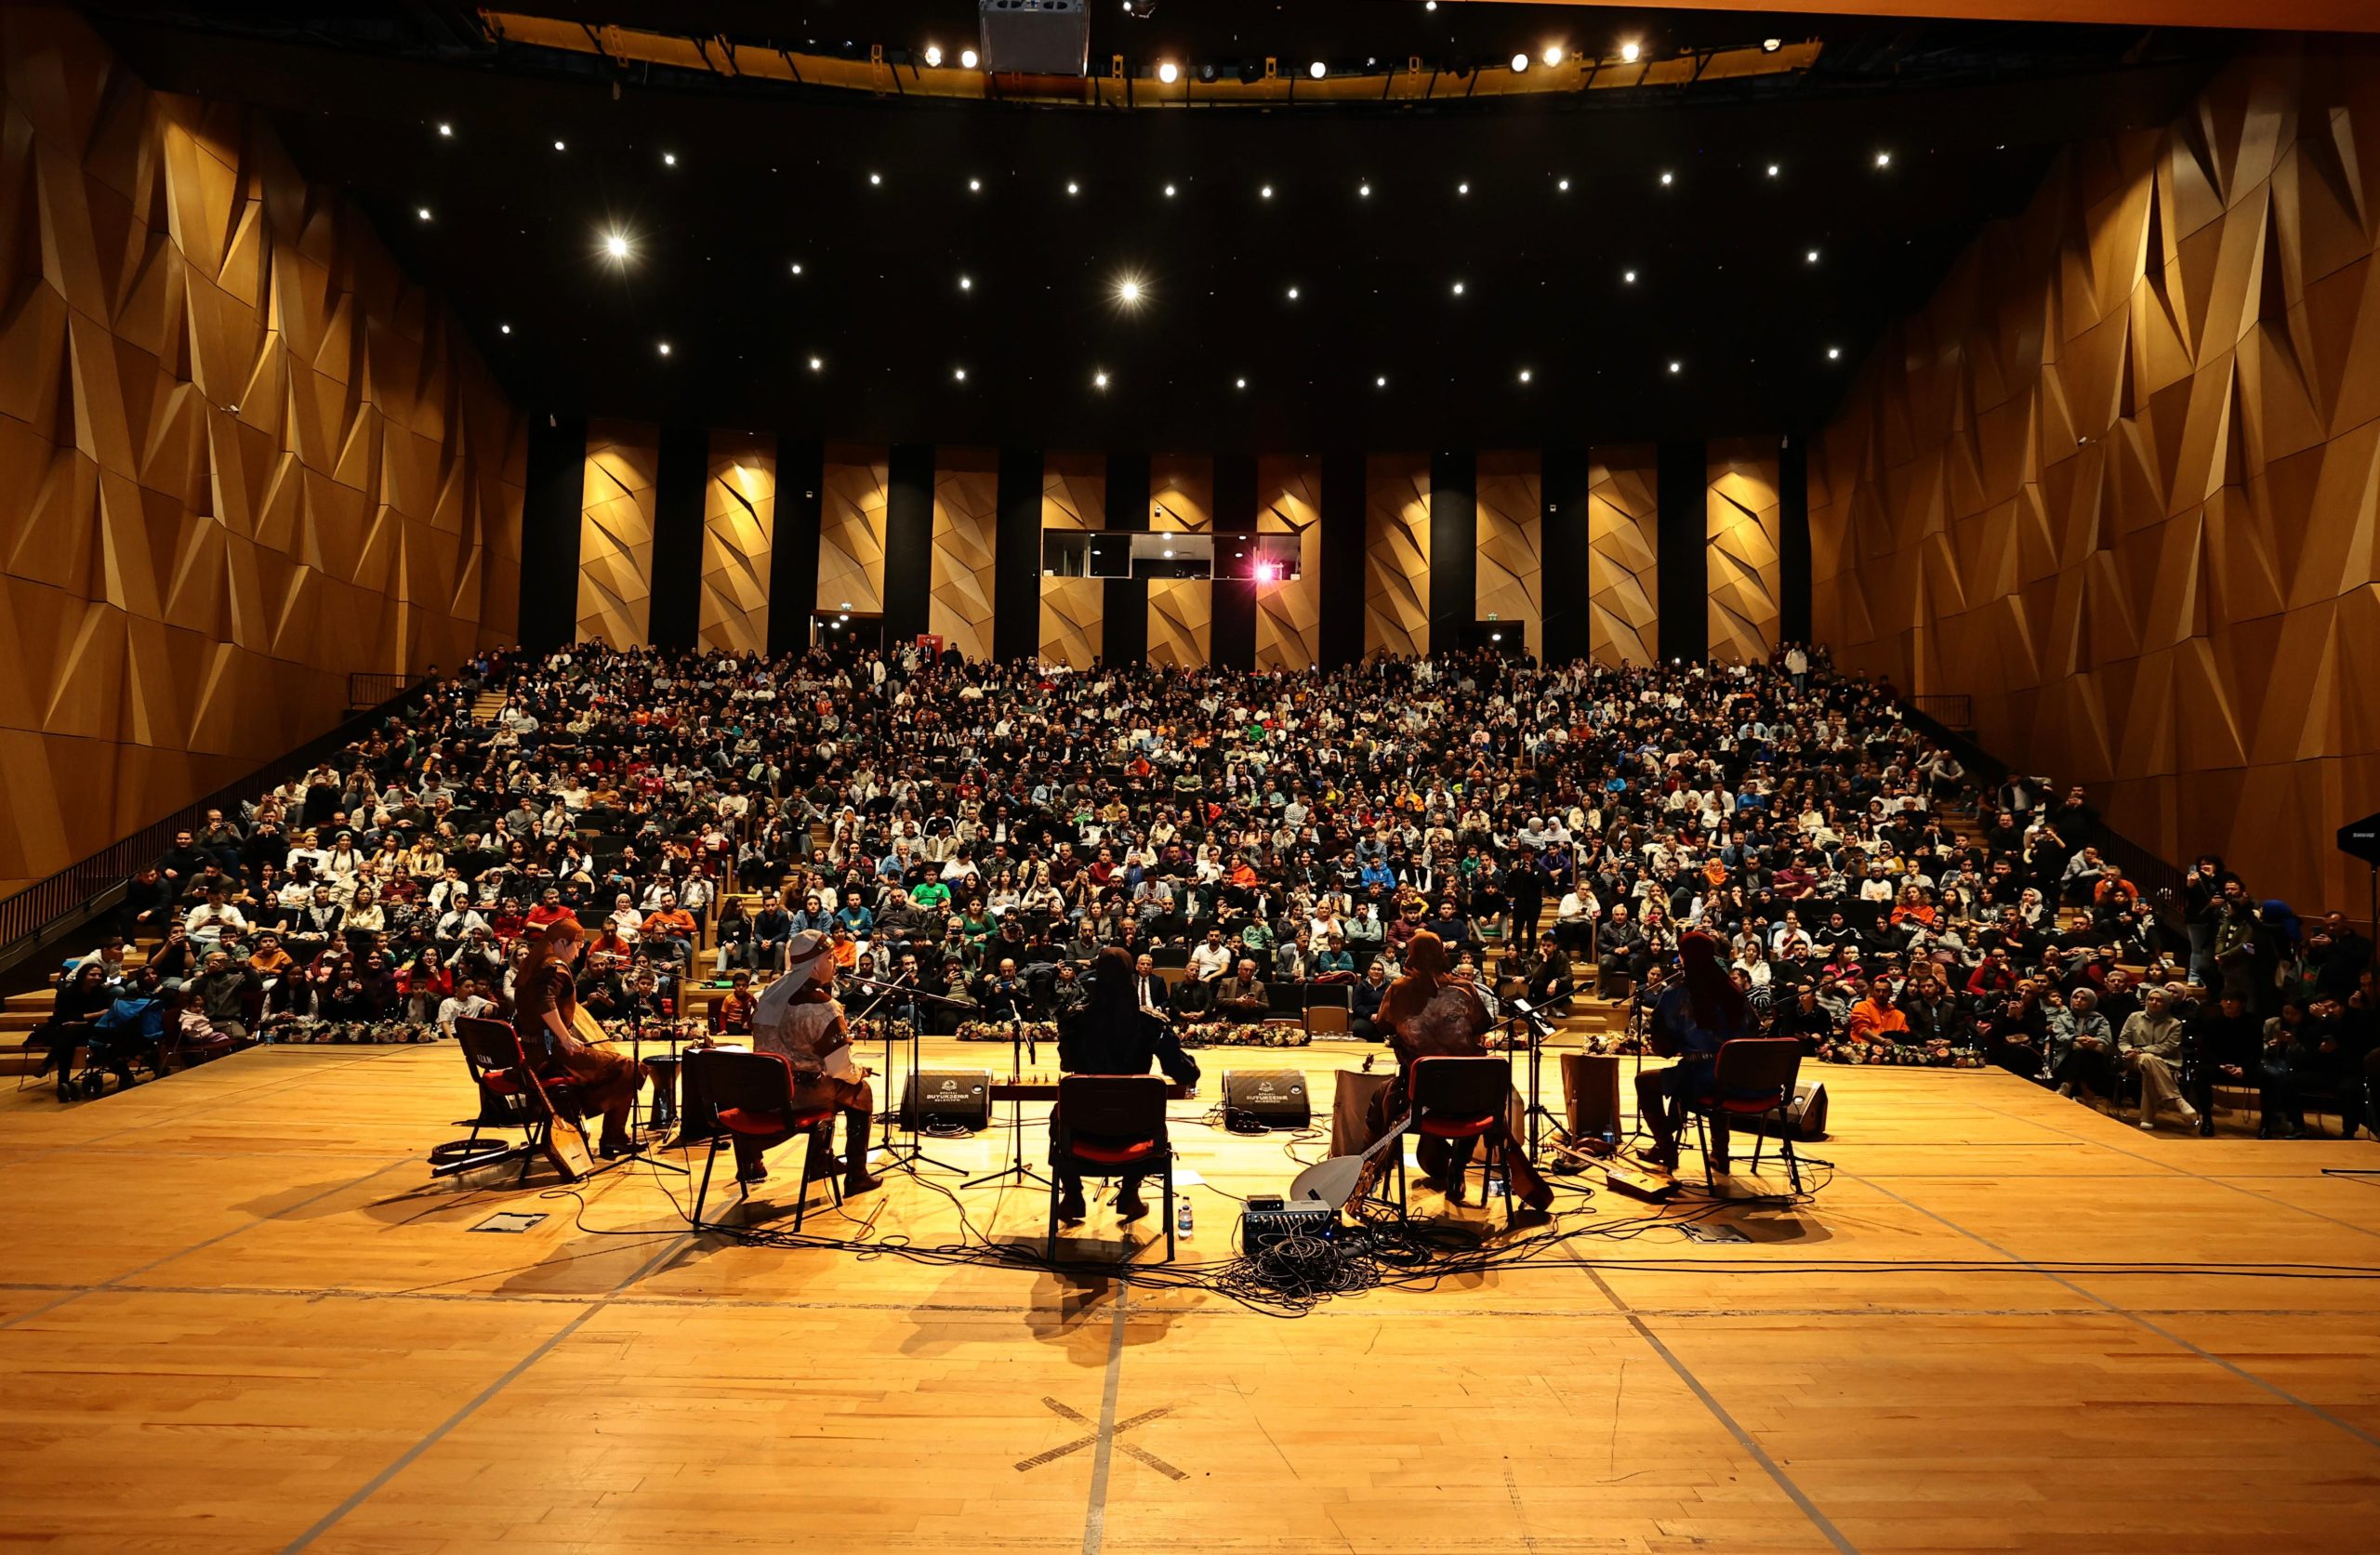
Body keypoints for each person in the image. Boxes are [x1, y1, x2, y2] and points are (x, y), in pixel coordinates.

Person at [1368, 929, 1549, 1206]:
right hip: (1472, 1099)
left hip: (1423, 1099)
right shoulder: (1465, 987)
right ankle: (1458, 1169)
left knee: (1383, 1096)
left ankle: (1374, 1169)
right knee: (1470, 1090)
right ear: (1443, 954)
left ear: (1411, 955)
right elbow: (1482, 1026)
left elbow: (1381, 1025)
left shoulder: (1398, 989)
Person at [1051, 946, 1197, 1224]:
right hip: (1136, 1131)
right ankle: (1130, 1193)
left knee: (1058, 1116)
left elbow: (1065, 1064)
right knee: (1150, 1111)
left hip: (1083, 1130)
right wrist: (1191, 1065)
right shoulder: (1148, 1022)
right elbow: (1182, 1072)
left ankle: (1072, 1196)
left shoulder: (1076, 1019)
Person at [747, 929, 882, 1195]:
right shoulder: (823, 1007)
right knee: (859, 1091)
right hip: (801, 1094)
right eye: (830, 958)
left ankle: (817, 1161)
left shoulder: (767, 995)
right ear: (815, 963)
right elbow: (839, 1069)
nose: (836, 963)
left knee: (834, 1082)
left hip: (765, 1089)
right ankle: (857, 1175)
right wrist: (859, 1073)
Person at [513, 919, 648, 1158]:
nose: (579, 952)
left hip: (533, 1051)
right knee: (631, 1067)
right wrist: (565, 1038)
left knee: (620, 1066)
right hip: (552, 1054)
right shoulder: (553, 966)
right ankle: (612, 1136)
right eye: (576, 945)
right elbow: (545, 1002)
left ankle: (604, 1132)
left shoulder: (534, 964)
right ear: (562, 943)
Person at [1634, 931, 1756, 1174]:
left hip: (1704, 1079)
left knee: (1645, 1082)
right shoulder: (1732, 989)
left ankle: (1666, 1147)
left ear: (1683, 957)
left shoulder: (1676, 993)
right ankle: (1720, 1153)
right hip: (1742, 1078)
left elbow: (1664, 1047)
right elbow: (1753, 1029)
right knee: (1713, 1078)